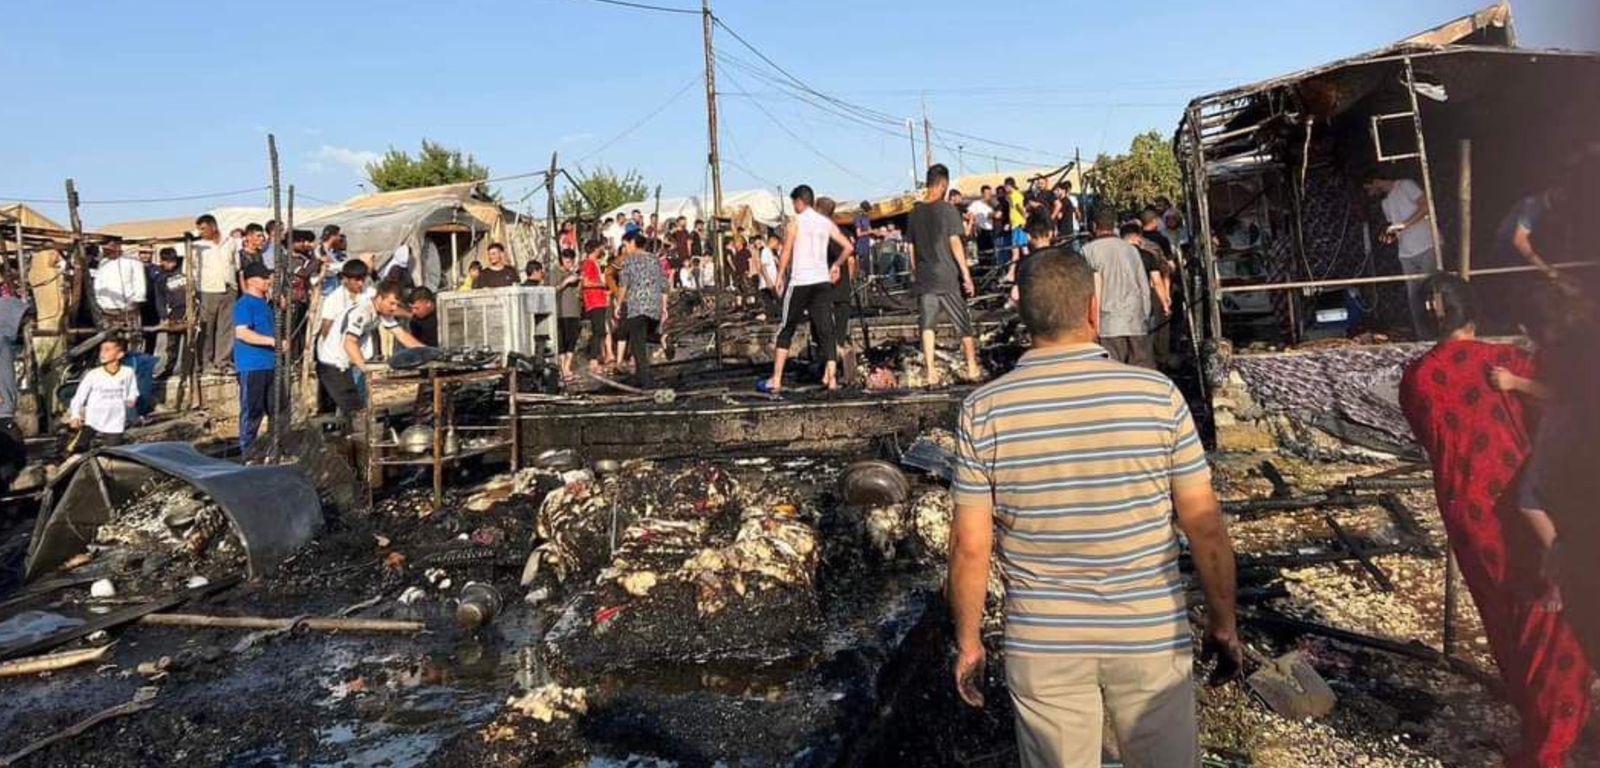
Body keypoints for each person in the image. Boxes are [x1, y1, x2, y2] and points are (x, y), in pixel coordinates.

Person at [949, 249, 1241, 768]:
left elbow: (971, 547)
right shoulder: (1157, 396)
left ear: (1024, 316)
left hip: (1044, 644)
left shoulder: (983, 411)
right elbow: (1206, 528)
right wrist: (1223, 624)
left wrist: (969, 642)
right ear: (1093, 309)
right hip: (1150, 637)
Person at [1398, 274, 1592, 767]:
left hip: (1469, 513)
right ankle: (1555, 732)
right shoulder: (1510, 362)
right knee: (1550, 617)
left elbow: (1429, 435)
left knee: (1503, 614)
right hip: (1530, 505)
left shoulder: (1418, 378)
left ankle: (1538, 719)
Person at [761, 185, 852, 395]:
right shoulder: (825, 223)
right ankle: (832, 379)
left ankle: (776, 379)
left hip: (801, 281)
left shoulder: (796, 222)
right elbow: (848, 247)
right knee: (826, 329)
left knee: (787, 328)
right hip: (821, 281)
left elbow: (786, 251)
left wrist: (781, 275)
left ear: (800, 202)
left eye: (794, 203)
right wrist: (836, 264)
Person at [906, 164, 979, 386]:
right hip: (946, 275)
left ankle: (930, 372)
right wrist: (966, 275)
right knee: (962, 322)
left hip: (925, 276)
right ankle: (972, 367)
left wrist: (915, 271)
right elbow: (955, 243)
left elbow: (910, 247)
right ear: (943, 185)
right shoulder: (948, 210)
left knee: (927, 325)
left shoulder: (914, 212)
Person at [317, 281, 421, 421]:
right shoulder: (363, 312)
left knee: (361, 409)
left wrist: (426, 351)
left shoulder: (381, 312)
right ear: (379, 299)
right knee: (356, 412)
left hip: (347, 364)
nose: (394, 308)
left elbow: (401, 334)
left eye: (397, 304)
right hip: (333, 365)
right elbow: (349, 343)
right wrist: (368, 370)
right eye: (391, 303)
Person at [1364, 172, 1437, 337]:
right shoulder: (1385, 203)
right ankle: (1423, 337)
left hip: (1427, 245)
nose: (1370, 193)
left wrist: (1404, 225)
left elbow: (1426, 207)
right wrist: (1391, 235)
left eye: (1369, 188)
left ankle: (1440, 334)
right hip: (1406, 253)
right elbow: (1396, 227)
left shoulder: (1406, 184)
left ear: (1376, 180)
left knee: (1433, 292)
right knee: (1414, 299)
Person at [1082, 210, 1153, 368]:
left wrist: (1091, 325)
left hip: (1108, 324)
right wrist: (1145, 315)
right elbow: (1143, 285)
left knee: (1114, 372)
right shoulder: (1131, 250)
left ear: (1094, 226)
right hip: (1136, 320)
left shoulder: (1088, 251)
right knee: (1142, 373)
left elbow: (1088, 290)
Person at [613, 233, 668, 389]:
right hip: (654, 304)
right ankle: (661, 338)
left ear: (632, 243)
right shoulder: (655, 260)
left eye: (626, 245)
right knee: (644, 337)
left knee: (637, 345)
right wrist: (664, 306)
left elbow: (624, 283)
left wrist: (618, 304)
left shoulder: (629, 261)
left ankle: (646, 382)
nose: (625, 248)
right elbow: (664, 284)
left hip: (637, 305)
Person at [233, 262, 278, 455]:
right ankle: (248, 451)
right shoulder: (245, 304)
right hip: (252, 365)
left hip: (270, 364)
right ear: (252, 281)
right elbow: (242, 333)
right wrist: (272, 341)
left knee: (277, 409)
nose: (268, 281)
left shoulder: (265, 304)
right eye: (264, 278)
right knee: (252, 410)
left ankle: (275, 447)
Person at [67, 337, 140, 451]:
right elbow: (79, 397)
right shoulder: (94, 374)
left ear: (120, 354)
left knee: (113, 454)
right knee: (78, 451)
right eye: (101, 350)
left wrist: (131, 398)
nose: (103, 353)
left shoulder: (128, 372)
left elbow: (133, 390)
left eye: (107, 350)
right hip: (92, 421)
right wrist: (75, 415)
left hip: (115, 422)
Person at [816, 197, 858, 382]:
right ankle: (832, 373)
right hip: (842, 291)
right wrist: (850, 280)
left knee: (825, 334)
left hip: (827, 291)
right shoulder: (843, 231)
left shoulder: (823, 233)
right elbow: (851, 259)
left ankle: (829, 374)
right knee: (838, 335)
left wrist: (833, 267)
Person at [194, 214, 240, 373]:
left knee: (226, 328)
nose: (201, 232)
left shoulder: (230, 242)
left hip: (229, 288)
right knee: (206, 328)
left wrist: (234, 286)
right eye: (199, 229)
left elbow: (235, 264)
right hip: (208, 290)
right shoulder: (198, 246)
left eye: (203, 228)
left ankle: (223, 361)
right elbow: (192, 269)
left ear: (213, 226)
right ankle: (206, 363)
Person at [92, 240, 147, 342]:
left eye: (108, 250)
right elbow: (98, 283)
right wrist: (99, 301)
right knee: (110, 339)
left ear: (117, 248)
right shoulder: (103, 262)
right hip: (107, 309)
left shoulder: (133, 261)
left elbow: (140, 282)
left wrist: (136, 301)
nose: (106, 252)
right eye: (105, 250)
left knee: (131, 337)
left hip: (128, 308)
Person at [151, 248, 188, 378]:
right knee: (172, 344)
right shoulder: (160, 277)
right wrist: (164, 316)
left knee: (190, 343)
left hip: (189, 310)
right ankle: (169, 368)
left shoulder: (184, 268)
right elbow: (159, 298)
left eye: (172, 261)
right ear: (162, 261)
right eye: (167, 262)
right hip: (174, 313)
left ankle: (187, 368)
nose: (170, 264)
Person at [580, 237, 613, 375]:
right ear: (595, 249)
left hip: (600, 300)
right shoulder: (588, 263)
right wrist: (601, 284)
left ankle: (599, 356)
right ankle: (593, 359)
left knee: (601, 330)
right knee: (598, 330)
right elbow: (586, 283)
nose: (602, 250)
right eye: (600, 248)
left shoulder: (595, 263)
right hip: (594, 301)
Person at [551, 249, 584, 384]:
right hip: (561, 311)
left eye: (571, 261)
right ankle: (562, 369)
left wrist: (580, 280)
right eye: (566, 261)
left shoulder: (574, 272)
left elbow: (579, 292)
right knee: (562, 341)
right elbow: (552, 290)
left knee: (572, 340)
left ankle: (567, 367)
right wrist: (566, 282)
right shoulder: (555, 272)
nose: (569, 264)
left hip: (574, 311)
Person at [317, 225, 348, 296]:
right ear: (333, 236)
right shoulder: (319, 250)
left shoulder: (331, 252)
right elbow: (326, 268)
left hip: (334, 288)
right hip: (325, 290)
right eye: (339, 236)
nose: (340, 238)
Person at [967, 186, 996, 263]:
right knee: (982, 250)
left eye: (990, 193)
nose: (989, 195)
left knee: (991, 250)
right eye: (987, 193)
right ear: (983, 194)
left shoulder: (991, 206)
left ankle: (991, 267)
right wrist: (974, 223)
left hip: (990, 230)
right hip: (981, 230)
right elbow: (969, 214)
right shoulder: (976, 204)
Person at [757, 233, 782, 317]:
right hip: (767, 282)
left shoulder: (770, 252)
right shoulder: (765, 251)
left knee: (774, 300)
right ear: (773, 241)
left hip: (771, 281)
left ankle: (774, 315)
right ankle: (772, 316)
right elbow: (763, 267)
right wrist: (768, 280)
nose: (777, 245)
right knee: (771, 301)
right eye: (777, 243)